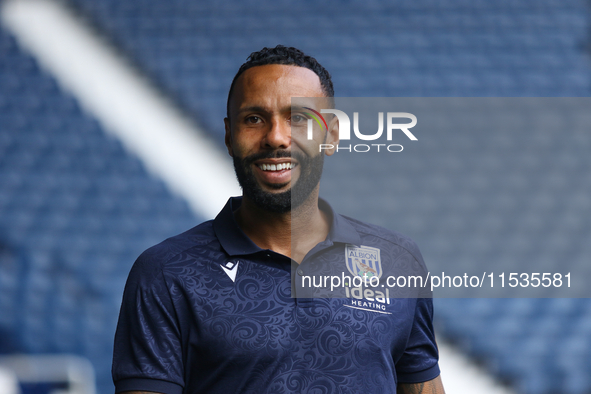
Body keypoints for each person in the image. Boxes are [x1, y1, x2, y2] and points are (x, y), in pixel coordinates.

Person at [112, 45, 445, 394]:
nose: (276, 137)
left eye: (298, 118)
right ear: (229, 136)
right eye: (254, 119)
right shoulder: (166, 273)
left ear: (331, 135)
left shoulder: (397, 261)